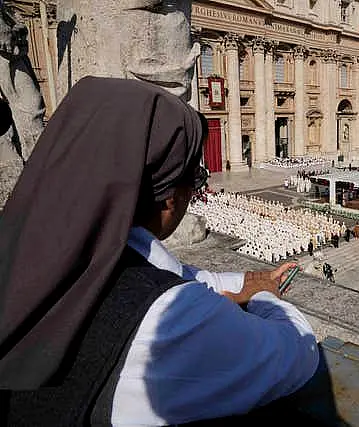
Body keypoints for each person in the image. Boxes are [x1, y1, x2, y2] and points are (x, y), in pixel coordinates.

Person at [0, 77, 319, 426]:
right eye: (194, 178)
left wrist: (245, 280)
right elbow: (297, 354)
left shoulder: (33, 243)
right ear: (168, 196)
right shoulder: (171, 317)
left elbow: (157, 273)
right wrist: (264, 297)